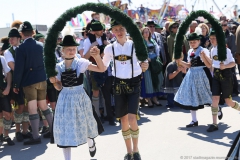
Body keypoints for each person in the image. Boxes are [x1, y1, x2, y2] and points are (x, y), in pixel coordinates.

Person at [49, 30, 105, 160]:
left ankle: (90, 141)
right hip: (64, 99)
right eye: (68, 49)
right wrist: (54, 82)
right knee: (64, 130)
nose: (72, 51)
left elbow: (101, 69)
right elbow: (59, 87)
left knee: (84, 124)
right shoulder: (58, 67)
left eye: (73, 48)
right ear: (62, 51)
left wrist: (97, 57)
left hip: (80, 96)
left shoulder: (81, 63)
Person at [102, 19, 148, 160]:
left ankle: (136, 150)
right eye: (116, 30)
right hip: (118, 84)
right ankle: (129, 152)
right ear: (112, 32)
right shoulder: (109, 48)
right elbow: (103, 67)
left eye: (121, 28)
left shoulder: (135, 45)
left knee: (132, 118)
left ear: (126, 29)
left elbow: (144, 60)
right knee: (123, 120)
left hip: (134, 83)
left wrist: (144, 64)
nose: (119, 32)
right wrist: (96, 57)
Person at [13, 21, 53, 145]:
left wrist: (16, 85)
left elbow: (19, 69)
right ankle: (54, 131)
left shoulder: (21, 48)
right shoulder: (41, 45)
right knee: (44, 106)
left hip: (29, 81)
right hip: (42, 79)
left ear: (21, 34)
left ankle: (35, 136)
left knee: (32, 109)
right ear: (33, 32)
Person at [174, 33, 213, 127]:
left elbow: (209, 64)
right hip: (191, 74)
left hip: (202, 74)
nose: (192, 44)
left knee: (207, 93)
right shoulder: (190, 51)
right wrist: (181, 62)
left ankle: (217, 108)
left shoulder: (203, 50)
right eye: (191, 42)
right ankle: (194, 120)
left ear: (199, 41)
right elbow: (189, 65)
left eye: (194, 42)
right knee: (192, 96)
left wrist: (203, 56)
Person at [206, 30, 239, 132]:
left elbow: (233, 63)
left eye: (214, 38)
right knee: (215, 99)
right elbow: (213, 63)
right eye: (210, 38)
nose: (211, 40)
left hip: (226, 76)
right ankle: (214, 123)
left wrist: (225, 66)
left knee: (228, 101)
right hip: (216, 75)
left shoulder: (226, 50)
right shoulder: (212, 50)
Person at [4, 24, 32, 142]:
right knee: (19, 107)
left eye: (13, 38)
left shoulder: (24, 48)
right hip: (17, 82)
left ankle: (25, 131)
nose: (11, 40)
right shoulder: (8, 52)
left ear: (19, 38)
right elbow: (13, 67)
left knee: (26, 107)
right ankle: (17, 131)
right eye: (10, 38)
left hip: (27, 81)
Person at [140, 27, 163, 107]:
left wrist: (157, 57)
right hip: (147, 63)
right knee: (148, 81)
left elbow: (157, 50)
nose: (146, 33)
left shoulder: (152, 41)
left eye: (147, 32)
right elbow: (140, 53)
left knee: (157, 79)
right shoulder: (141, 43)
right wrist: (146, 59)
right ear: (142, 34)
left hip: (154, 61)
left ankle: (155, 98)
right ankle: (149, 100)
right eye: (145, 32)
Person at [0, 52, 14, 146]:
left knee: (8, 114)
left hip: (2, 90)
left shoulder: (1, 58)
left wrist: (8, 87)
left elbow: (8, 73)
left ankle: (6, 135)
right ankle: (1, 135)